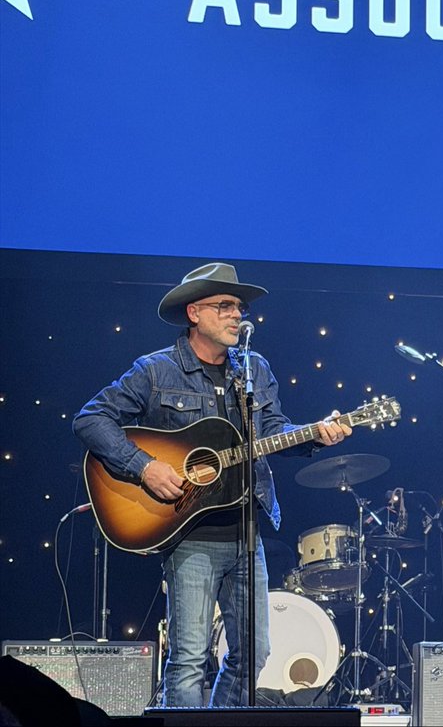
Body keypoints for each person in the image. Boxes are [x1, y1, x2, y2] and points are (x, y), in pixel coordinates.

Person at [73, 263, 353, 707]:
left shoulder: (255, 369)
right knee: (188, 658)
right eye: (224, 305)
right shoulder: (156, 371)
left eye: (238, 306)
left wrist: (316, 433)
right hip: (188, 535)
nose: (236, 315)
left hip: (246, 533)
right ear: (194, 313)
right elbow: (91, 419)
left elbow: (274, 432)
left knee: (255, 652)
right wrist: (144, 467)